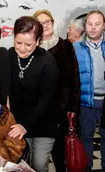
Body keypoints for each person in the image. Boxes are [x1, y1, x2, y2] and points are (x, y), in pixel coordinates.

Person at [8, 16, 59, 172]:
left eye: (28, 44)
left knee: (38, 164)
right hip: (17, 121)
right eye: (18, 43)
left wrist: (25, 126)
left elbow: (46, 99)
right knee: (21, 163)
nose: (22, 48)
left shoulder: (47, 62)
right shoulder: (9, 55)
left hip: (44, 122)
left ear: (37, 42)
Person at [33, 9, 81, 172]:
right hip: (38, 109)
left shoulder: (66, 46)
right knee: (37, 157)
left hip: (60, 108)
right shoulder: (32, 47)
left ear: (52, 23)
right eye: (41, 23)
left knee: (60, 153)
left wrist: (73, 107)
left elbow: (75, 76)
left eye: (48, 21)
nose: (45, 25)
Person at [74, 10, 105, 172]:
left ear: (104, 26)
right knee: (86, 136)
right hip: (86, 102)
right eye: (90, 24)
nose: (93, 28)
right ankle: (87, 167)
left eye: (97, 24)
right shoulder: (76, 48)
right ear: (85, 26)